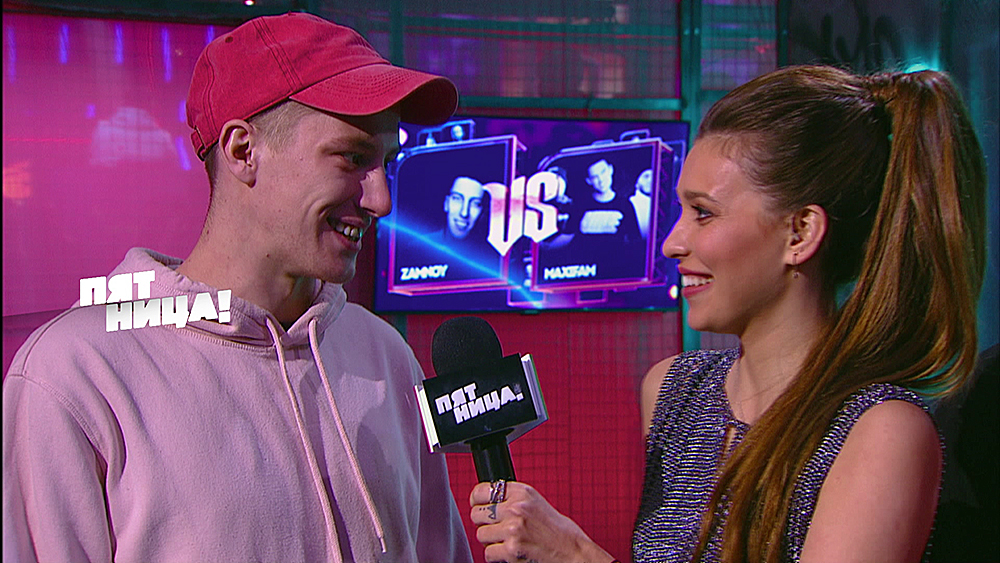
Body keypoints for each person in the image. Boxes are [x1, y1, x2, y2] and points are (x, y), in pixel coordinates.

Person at [3, 12, 473, 563]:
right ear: (243, 151)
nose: (381, 201)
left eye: (387, 163)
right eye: (352, 157)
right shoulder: (75, 372)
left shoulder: (386, 356)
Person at [469, 64, 986, 563]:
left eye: (704, 213)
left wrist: (578, 556)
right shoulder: (673, 390)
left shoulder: (882, 432)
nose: (672, 243)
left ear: (800, 232)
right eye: (680, 211)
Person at [630, 168, 654, 239]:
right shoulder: (630, 203)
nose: (650, 180)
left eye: (653, 177)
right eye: (646, 176)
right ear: (636, 183)